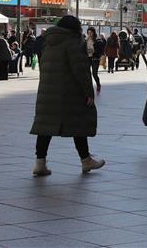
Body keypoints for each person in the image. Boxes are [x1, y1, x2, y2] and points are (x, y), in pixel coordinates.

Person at [30, 16, 105, 176]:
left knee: (45, 127)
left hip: (48, 92)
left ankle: (39, 164)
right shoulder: (74, 42)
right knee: (79, 123)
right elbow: (81, 70)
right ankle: (86, 160)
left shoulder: (48, 42)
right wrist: (88, 92)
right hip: (69, 92)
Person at [86, 27, 103, 93]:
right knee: (87, 73)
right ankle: (89, 86)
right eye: (88, 33)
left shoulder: (97, 40)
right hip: (88, 58)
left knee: (94, 73)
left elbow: (100, 49)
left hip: (95, 58)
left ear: (93, 33)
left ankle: (98, 84)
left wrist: (93, 51)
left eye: (91, 33)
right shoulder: (86, 40)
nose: (89, 34)